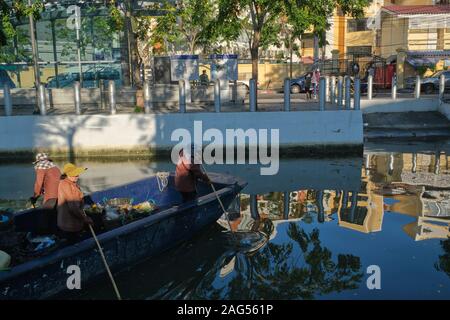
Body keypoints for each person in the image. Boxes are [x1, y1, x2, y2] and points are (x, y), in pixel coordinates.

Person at [57, 163, 93, 243]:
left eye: (77, 174)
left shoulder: (65, 183)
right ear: (68, 175)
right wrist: (85, 219)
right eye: (75, 175)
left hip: (65, 222)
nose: (77, 176)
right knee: (73, 242)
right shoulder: (67, 186)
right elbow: (73, 207)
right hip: (70, 224)